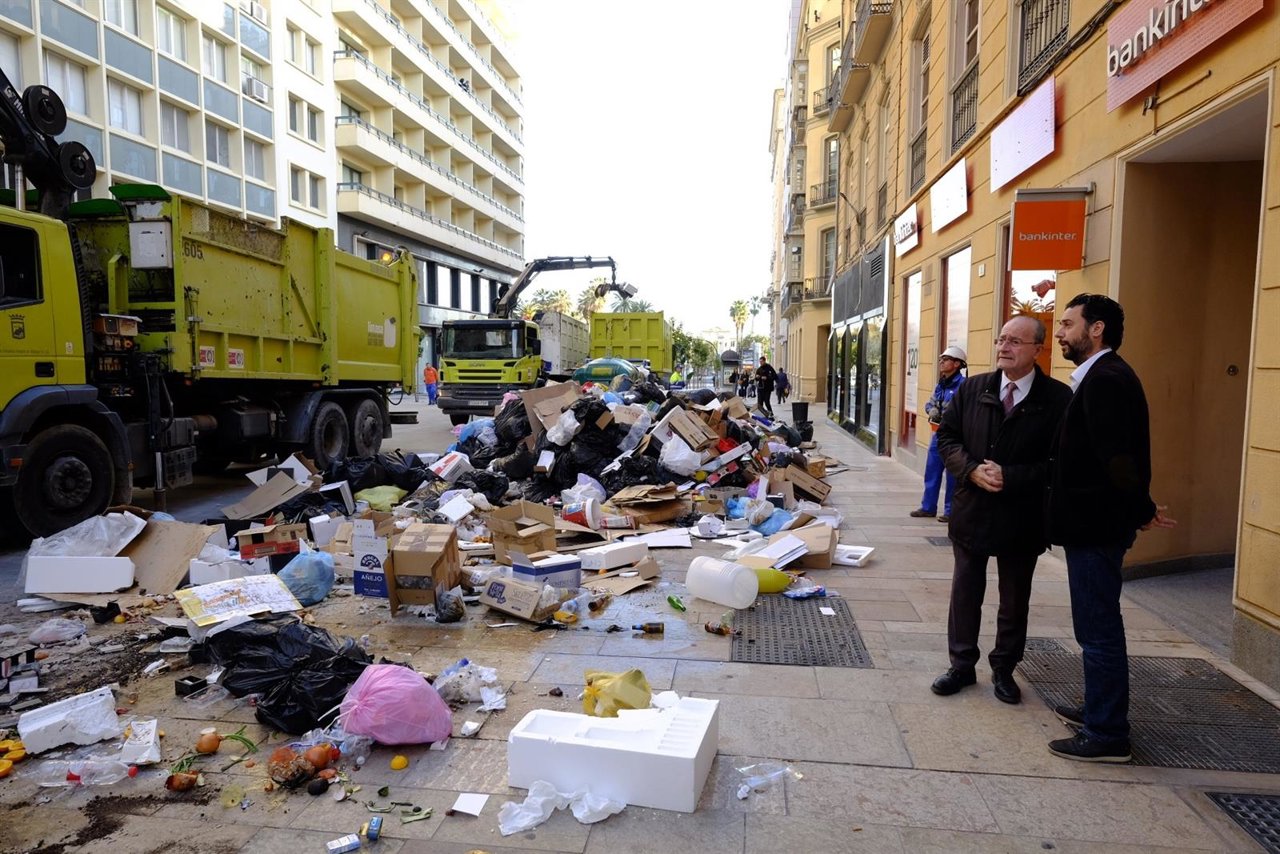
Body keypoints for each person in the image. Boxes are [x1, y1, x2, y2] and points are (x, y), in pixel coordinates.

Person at [1047, 293, 1175, 763]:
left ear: (1095, 329)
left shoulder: (1106, 380)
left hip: (1095, 527)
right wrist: (1139, 507)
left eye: (1067, 324)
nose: (1060, 333)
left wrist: (1139, 508)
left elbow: (1117, 458)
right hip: (1095, 523)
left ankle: (1106, 733)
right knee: (1095, 624)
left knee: (1098, 629)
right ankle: (1097, 709)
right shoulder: (1102, 376)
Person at [930, 316, 1071, 704]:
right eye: (1001, 339)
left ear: (1036, 350)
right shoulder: (973, 389)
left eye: (1015, 341)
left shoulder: (1058, 399)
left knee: (1014, 600)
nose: (1004, 347)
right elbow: (947, 439)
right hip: (972, 510)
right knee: (965, 592)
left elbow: (1061, 463)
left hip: (1022, 517)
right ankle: (961, 666)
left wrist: (1013, 476)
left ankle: (1004, 669)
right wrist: (972, 469)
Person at [911, 346, 967, 522]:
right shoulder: (941, 384)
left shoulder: (964, 385)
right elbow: (929, 404)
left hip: (955, 438)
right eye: (941, 359)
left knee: (952, 476)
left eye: (946, 359)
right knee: (932, 472)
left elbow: (964, 411)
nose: (941, 362)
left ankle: (950, 512)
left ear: (957, 364)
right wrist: (931, 409)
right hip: (937, 435)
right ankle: (928, 507)